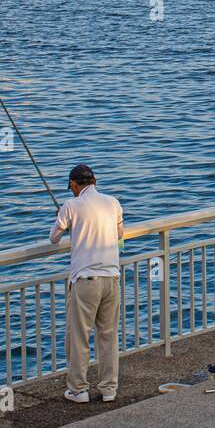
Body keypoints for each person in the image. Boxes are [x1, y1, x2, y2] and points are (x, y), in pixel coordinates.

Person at [50, 164, 123, 404]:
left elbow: (54, 238)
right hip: (111, 278)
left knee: (80, 336)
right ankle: (109, 389)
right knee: (108, 335)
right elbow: (120, 234)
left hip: (86, 280)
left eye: (70, 186)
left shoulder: (71, 205)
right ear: (94, 181)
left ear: (74, 184)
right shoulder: (112, 203)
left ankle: (78, 389)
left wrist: (67, 222)